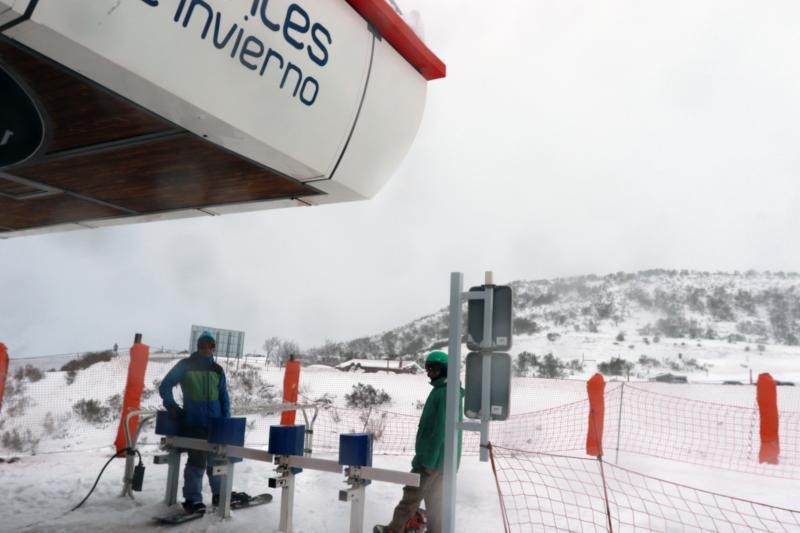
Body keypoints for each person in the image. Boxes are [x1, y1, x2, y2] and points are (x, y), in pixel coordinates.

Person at [374, 351, 463, 533]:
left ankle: (394, 530)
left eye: (435, 369)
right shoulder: (447, 391)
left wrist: (429, 461)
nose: (430, 373)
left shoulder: (443, 394)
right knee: (436, 502)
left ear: (446, 370)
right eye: (428, 368)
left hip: (431, 461)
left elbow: (441, 430)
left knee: (411, 496)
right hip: (444, 461)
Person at [159, 331, 231, 513]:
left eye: (210, 345)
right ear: (198, 347)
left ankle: (218, 496)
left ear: (213, 348)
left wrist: (226, 423)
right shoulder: (185, 365)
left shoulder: (217, 370)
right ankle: (192, 499)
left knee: (217, 461)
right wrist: (172, 406)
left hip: (215, 424)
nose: (206, 349)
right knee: (197, 461)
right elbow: (165, 385)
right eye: (203, 345)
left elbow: (224, 398)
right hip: (194, 423)